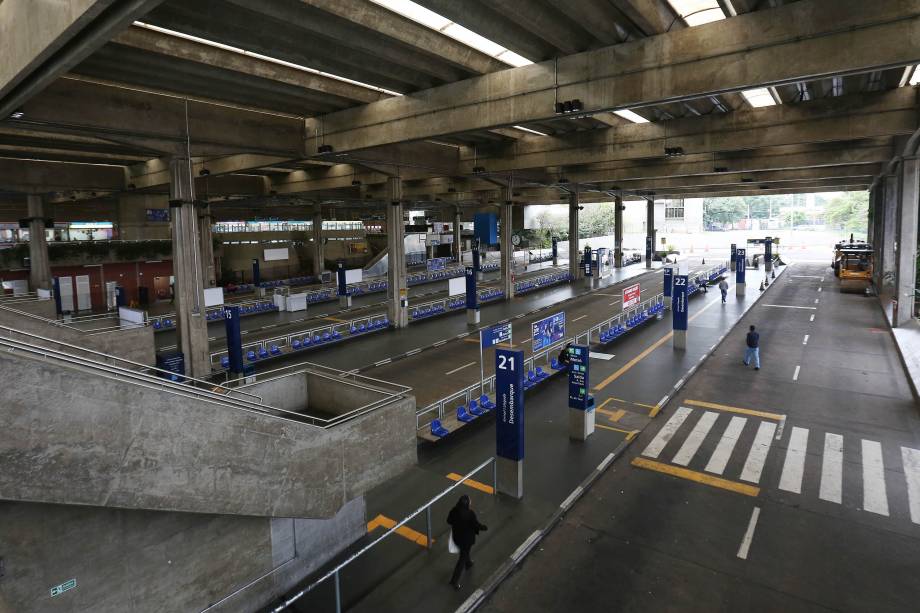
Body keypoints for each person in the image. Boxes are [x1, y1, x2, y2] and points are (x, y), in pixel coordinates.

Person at [447, 494, 488, 590]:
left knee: (465, 552)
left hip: (457, 537)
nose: (471, 502)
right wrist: (484, 527)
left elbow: (448, 521)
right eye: (470, 501)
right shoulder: (470, 514)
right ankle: (454, 580)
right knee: (462, 558)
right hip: (466, 540)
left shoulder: (454, 511)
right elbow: (476, 525)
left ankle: (468, 562)